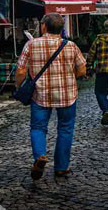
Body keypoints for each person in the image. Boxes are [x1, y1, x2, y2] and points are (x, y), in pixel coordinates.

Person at [16, 13, 87, 180]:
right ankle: (61, 167)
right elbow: (82, 70)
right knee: (65, 129)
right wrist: (68, 77)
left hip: (40, 95)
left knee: (38, 128)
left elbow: (20, 71)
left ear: (43, 27)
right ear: (61, 28)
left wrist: (18, 86)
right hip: (67, 94)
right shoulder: (71, 45)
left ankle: (40, 156)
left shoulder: (31, 44)